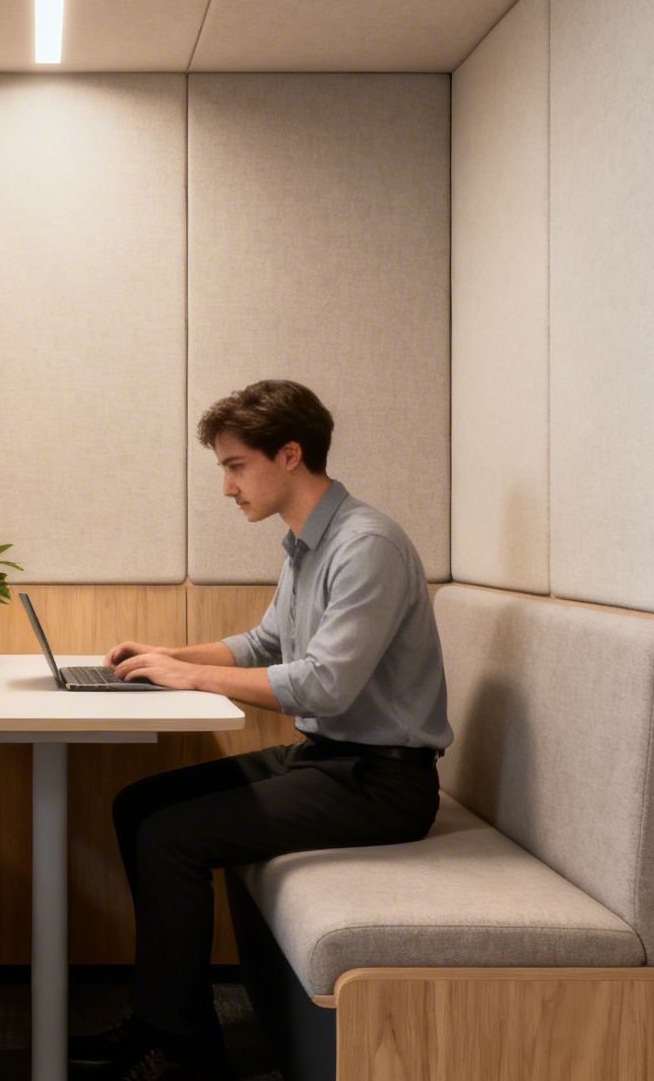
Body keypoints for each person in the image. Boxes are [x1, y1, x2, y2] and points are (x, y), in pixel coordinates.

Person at [73, 378, 452, 1081]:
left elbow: (324, 683)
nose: (226, 487)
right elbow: (265, 644)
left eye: (234, 465)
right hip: (329, 759)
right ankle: (166, 1017)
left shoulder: (366, 544)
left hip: (383, 782)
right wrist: (163, 657)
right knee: (138, 806)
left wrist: (191, 679)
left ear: (289, 455)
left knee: (172, 837)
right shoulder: (307, 543)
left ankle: (181, 1042)